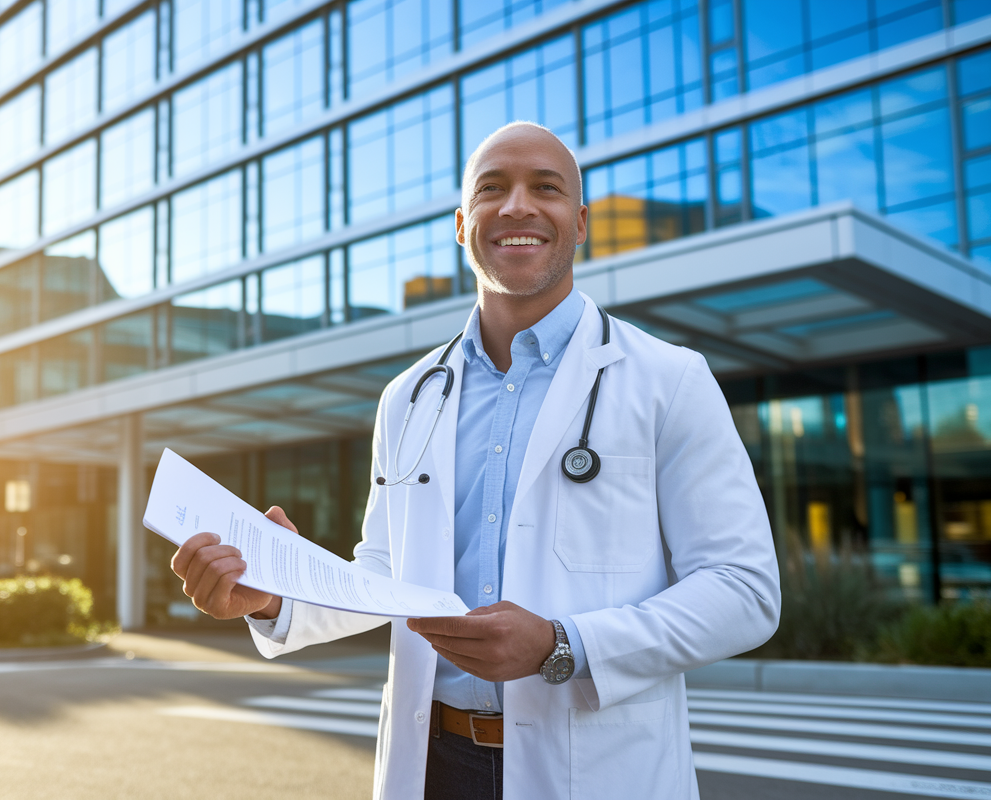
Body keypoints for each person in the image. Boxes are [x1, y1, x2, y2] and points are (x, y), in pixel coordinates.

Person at [171, 121, 781, 799]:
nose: (517, 205)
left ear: (579, 223)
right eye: (493, 189)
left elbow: (744, 588)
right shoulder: (407, 396)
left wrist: (562, 644)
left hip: (597, 771)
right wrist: (277, 594)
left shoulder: (669, 380)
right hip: (433, 763)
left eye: (544, 189)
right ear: (463, 225)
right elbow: (386, 572)